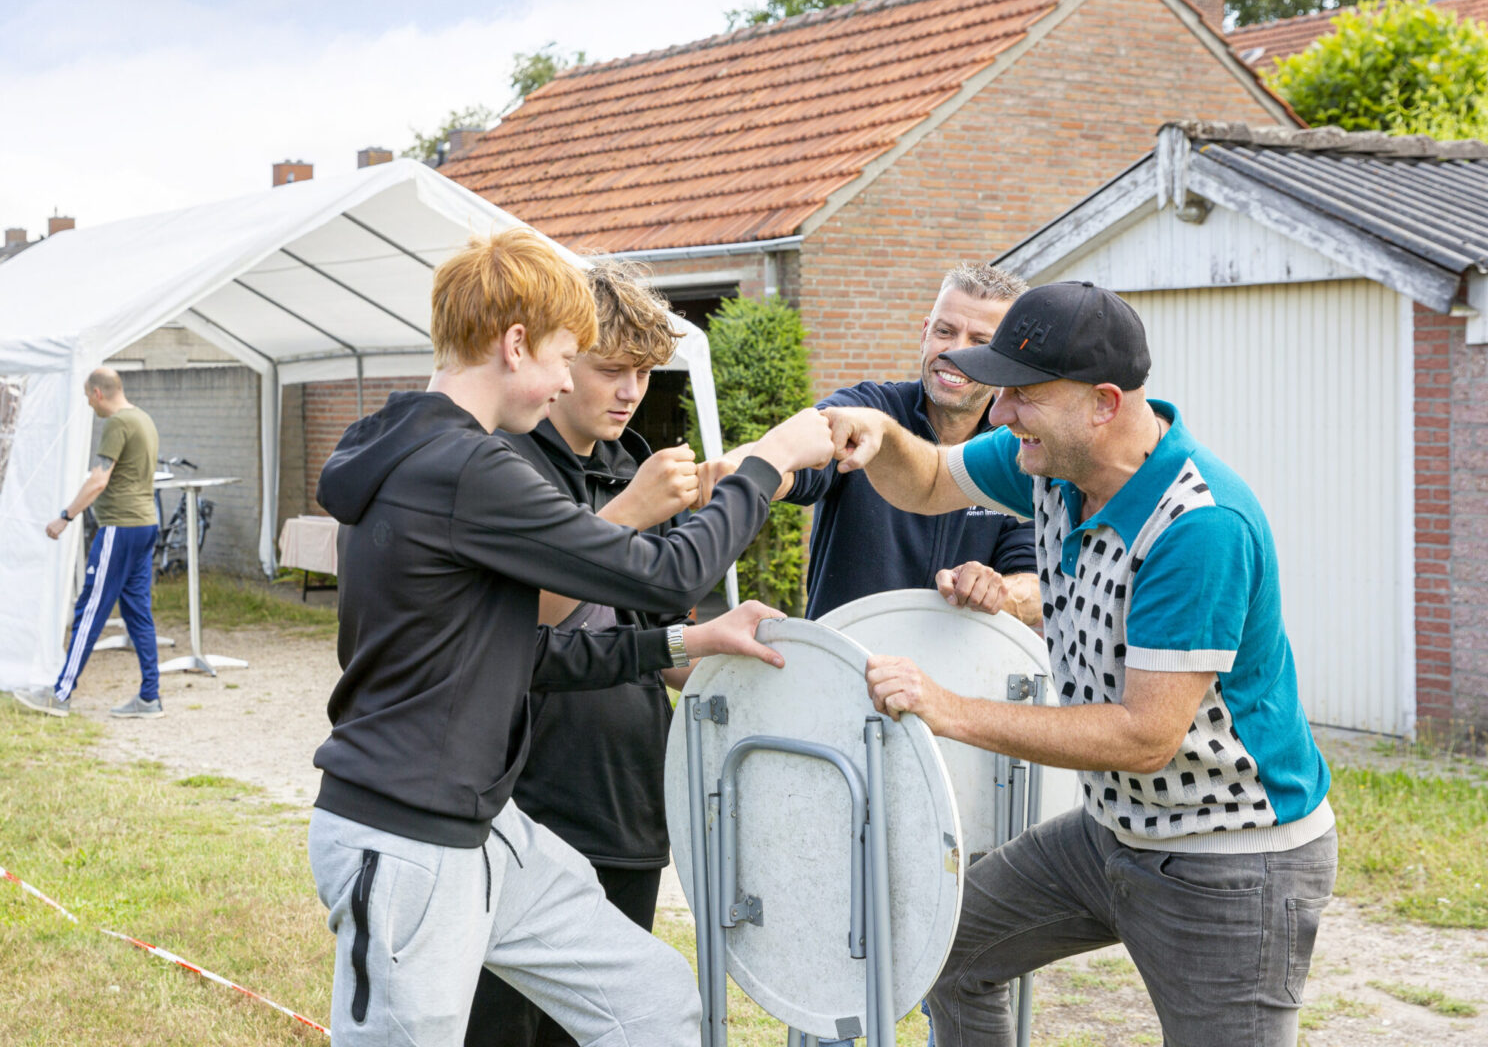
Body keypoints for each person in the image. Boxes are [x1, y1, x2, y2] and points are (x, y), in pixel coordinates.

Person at [307, 228, 837, 1045]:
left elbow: (527, 654)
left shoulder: (433, 456)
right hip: (408, 839)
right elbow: (664, 575)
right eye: (568, 356)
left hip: (484, 827)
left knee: (654, 1001)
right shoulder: (464, 469)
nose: (566, 381)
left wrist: (684, 646)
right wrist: (768, 463)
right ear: (515, 346)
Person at [830, 281, 1337, 1046]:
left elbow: (1143, 737)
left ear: (1104, 403)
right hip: (1110, 831)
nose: (998, 414)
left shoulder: (1198, 526)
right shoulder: (1053, 464)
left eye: (1023, 395)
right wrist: (880, 434)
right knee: (944, 948)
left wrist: (947, 708)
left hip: (1227, 862)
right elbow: (930, 480)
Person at [465, 257, 701, 1047]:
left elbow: (661, 632)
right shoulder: (507, 464)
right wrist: (630, 516)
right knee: (499, 1030)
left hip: (627, 802)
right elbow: (516, 621)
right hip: (526, 804)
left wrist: (728, 652)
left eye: (643, 372)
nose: (631, 390)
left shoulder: (635, 466)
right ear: (562, 363)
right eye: (610, 369)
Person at [711, 263, 1040, 624]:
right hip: (841, 666)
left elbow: (1035, 580)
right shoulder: (868, 409)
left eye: (979, 342)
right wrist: (742, 469)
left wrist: (997, 591)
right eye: (945, 332)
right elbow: (804, 451)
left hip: (951, 678)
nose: (957, 352)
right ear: (924, 333)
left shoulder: (1020, 449)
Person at [14, 367, 166, 720]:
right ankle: (149, 697)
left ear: (98, 393)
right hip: (145, 524)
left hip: (120, 528)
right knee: (138, 613)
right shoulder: (144, 418)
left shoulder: (117, 424)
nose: (88, 404)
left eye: (87, 397)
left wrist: (65, 516)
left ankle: (60, 694)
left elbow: (99, 480)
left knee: (89, 611)